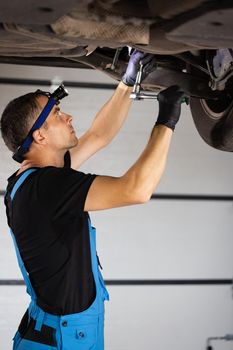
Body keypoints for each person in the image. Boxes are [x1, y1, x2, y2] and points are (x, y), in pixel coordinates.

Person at [1, 50, 184, 350]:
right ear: (40, 138)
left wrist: (126, 83)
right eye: (57, 114)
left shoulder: (29, 181)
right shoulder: (46, 188)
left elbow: (99, 135)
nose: (68, 117)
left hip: (56, 332)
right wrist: (167, 121)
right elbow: (136, 189)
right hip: (63, 339)